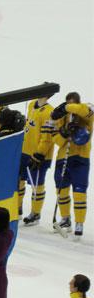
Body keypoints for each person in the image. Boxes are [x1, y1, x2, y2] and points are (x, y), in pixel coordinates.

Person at [50, 92, 93, 237]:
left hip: (80, 158)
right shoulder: (62, 118)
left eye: (72, 102)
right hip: (63, 158)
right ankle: (65, 218)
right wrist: (64, 133)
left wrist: (68, 107)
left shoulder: (86, 113)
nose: (70, 105)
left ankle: (79, 222)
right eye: (67, 102)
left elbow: (84, 110)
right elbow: (55, 140)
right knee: (61, 190)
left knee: (79, 192)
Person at [19, 96, 55, 223]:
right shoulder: (31, 105)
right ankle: (17, 208)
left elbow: (48, 137)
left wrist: (39, 154)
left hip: (39, 155)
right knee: (19, 180)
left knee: (37, 184)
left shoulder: (50, 112)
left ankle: (36, 213)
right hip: (24, 151)